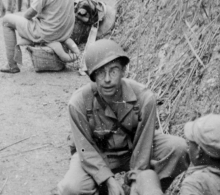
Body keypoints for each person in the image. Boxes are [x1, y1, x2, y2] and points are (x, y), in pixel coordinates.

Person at [57, 39, 189, 195]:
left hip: (133, 151)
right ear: (92, 75)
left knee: (179, 148)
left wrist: (137, 179)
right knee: (71, 188)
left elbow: (144, 144)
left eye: (113, 70)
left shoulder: (144, 98)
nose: (107, 79)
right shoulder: (78, 103)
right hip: (97, 154)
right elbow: (85, 149)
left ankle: (145, 188)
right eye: (100, 72)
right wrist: (108, 180)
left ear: (123, 71)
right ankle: (103, 190)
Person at [0, 0, 77, 74]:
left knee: (6, 20)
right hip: (64, 33)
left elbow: (29, 14)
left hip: (48, 33)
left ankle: (11, 65)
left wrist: (25, 22)